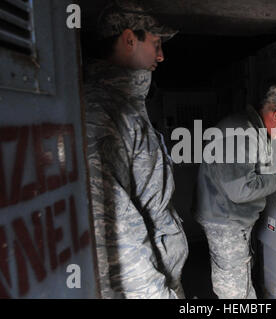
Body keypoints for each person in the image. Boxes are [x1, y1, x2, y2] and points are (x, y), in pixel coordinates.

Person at [84, 0, 188, 299]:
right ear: (129, 39)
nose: (161, 55)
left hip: (162, 275)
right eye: (156, 43)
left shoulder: (127, 105)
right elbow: (113, 230)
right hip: (148, 287)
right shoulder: (101, 110)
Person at [194, 85, 276, 299]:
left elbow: (255, 168)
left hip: (228, 218)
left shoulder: (254, 130)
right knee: (235, 290)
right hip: (225, 221)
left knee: (237, 279)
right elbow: (240, 189)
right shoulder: (242, 133)